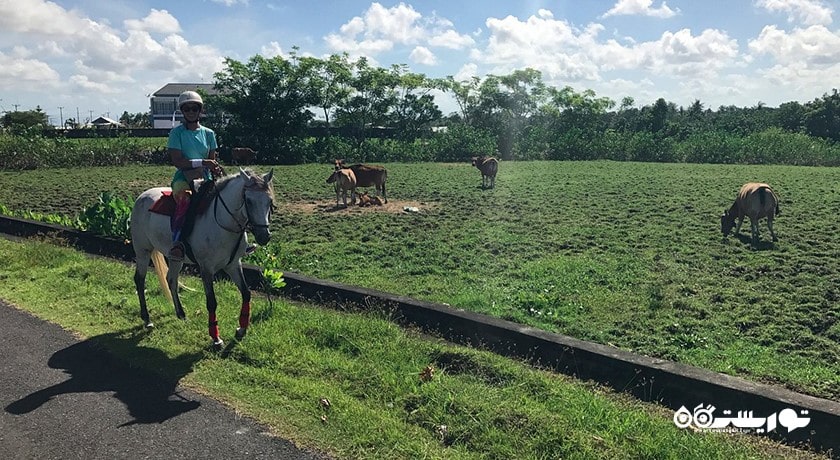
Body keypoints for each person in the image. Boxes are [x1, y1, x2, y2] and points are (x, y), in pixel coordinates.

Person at [166, 90, 222, 260]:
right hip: (183, 178)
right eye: (187, 109)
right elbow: (178, 161)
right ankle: (178, 243)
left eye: (194, 108)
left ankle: (238, 241)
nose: (191, 112)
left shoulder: (209, 134)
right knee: (186, 199)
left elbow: (212, 160)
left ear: (200, 110)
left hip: (206, 178)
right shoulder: (176, 133)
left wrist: (214, 169)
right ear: (182, 112)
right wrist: (203, 163)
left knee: (229, 199)